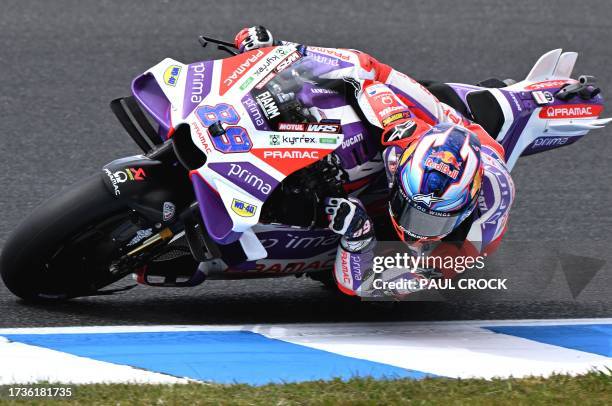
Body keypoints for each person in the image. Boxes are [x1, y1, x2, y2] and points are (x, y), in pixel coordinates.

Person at [234, 26, 515, 297]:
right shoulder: (398, 129)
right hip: (428, 120)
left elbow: (360, 285)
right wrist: (275, 53)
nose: (415, 229)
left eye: (432, 222)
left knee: (373, 271)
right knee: (364, 69)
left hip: (471, 151)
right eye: (411, 210)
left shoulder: (485, 219)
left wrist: (359, 235)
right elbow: (357, 69)